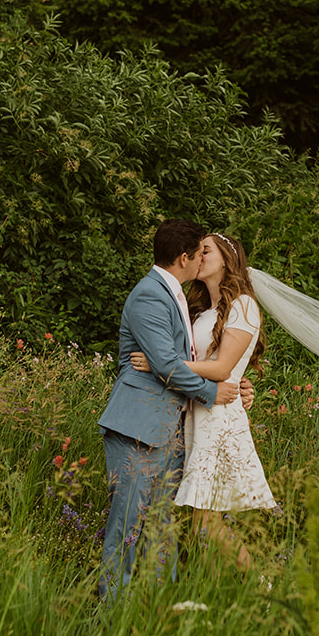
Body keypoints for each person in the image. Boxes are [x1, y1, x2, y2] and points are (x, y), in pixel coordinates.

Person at [97, 220, 252, 599]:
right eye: (200, 252)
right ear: (184, 258)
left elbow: (200, 359)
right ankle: (113, 609)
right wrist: (212, 392)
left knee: (161, 527)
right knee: (128, 523)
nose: (202, 259)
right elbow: (167, 364)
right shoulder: (150, 295)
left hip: (172, 429)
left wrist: (238, 385)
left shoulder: (183, 299)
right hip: (139, 425)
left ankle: (157, 607)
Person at [131, 233, 275, 568]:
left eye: (206, 250)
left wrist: (162, 364)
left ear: (226, 259)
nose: (199, 256)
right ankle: (225, 587)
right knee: (202, 525)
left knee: (205, 525)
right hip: (196, 413)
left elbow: (224, 368)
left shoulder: (243, 305)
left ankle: (263, 587)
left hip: (218, 418)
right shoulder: (199, 310)